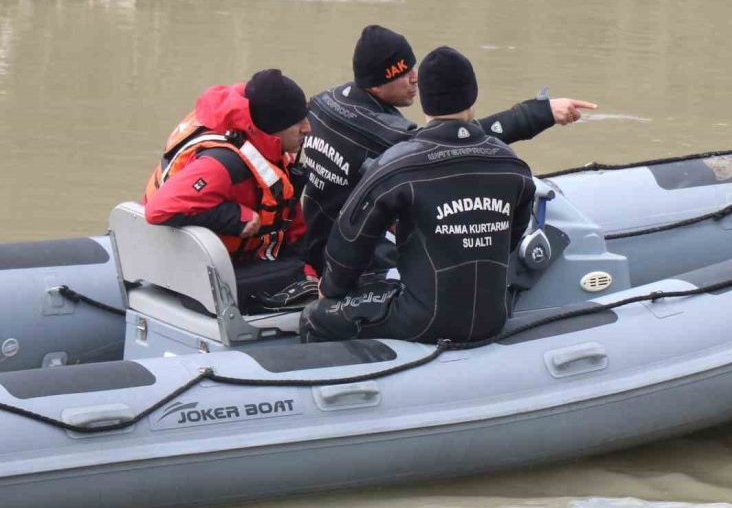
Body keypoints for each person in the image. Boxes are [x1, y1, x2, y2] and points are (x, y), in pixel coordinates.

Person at [298, 24, 596, 271]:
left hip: (317, 232)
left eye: (412, 66)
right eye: (403, 73)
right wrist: (539, 112)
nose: (415, 78)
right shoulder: (384, 132)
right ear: (376, 86)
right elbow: (457, 139)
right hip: (338, 256)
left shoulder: (325, 101)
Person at [300, 46, 536, 344]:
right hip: (494, 317)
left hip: (421, 321)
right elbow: (511, 239)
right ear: (473, 95)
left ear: (424, 100)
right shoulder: (512, 164)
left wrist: (331, 290)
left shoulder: (397, 165)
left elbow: (350, 237)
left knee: (314, 317)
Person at [143, 69, 317, 312]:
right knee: (303, 280)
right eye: (297, 122)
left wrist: (308, 264)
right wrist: (236, 217)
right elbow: (158, 210)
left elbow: (289, 220)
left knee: (311, 268)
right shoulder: (223, 163)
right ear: (272, 126)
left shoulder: (268, 151)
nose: (307, 128)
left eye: (306, 117)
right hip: (193, 275)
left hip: (224, 259)